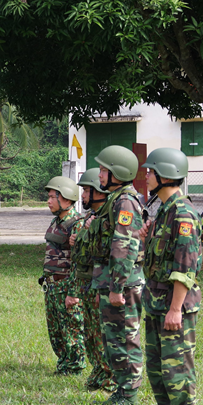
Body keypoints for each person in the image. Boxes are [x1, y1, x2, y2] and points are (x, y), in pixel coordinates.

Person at [140, 148, 201, 405]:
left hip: (174, 304)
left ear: (165, 175)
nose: (147, 175)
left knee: (176, 364)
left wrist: (175, 309)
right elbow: (156, 260)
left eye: (150, 171)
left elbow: (185, 267)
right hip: (156, 302)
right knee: (155, 365)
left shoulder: (183, 214)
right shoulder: (163, 211)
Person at [89, 145, 146, 405]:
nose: (99, 175)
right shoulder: (117, 199)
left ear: (118, 173)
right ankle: (123, 390)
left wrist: (117, 287)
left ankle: (129, 392)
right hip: (113, 280)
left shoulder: (125, 201)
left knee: (124, 337)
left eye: (104, 170)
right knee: (114, 338)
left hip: (122, 282)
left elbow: (124, 246)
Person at [65, 168, 115, 391]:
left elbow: (107, 253)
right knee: (91, 334)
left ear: (98, 191)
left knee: (102, 334)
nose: (83, 195)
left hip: (98, 283)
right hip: (87, 282)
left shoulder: (105, 218)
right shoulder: (89, 218)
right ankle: (98, 371)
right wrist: (77, 241)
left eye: (86, 190)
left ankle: (109, 376)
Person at [41, 176, 85, 375]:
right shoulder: (55, 221)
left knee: (72, 328)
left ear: (66, 199)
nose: (48, 201)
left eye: (52, 197)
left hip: (66, 286)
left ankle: (74, 366)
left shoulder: (77, 224)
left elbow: (79, 262)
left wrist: (73, 292)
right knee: (56, 330)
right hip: (51, 286)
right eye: (48, 197)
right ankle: (64, 363)